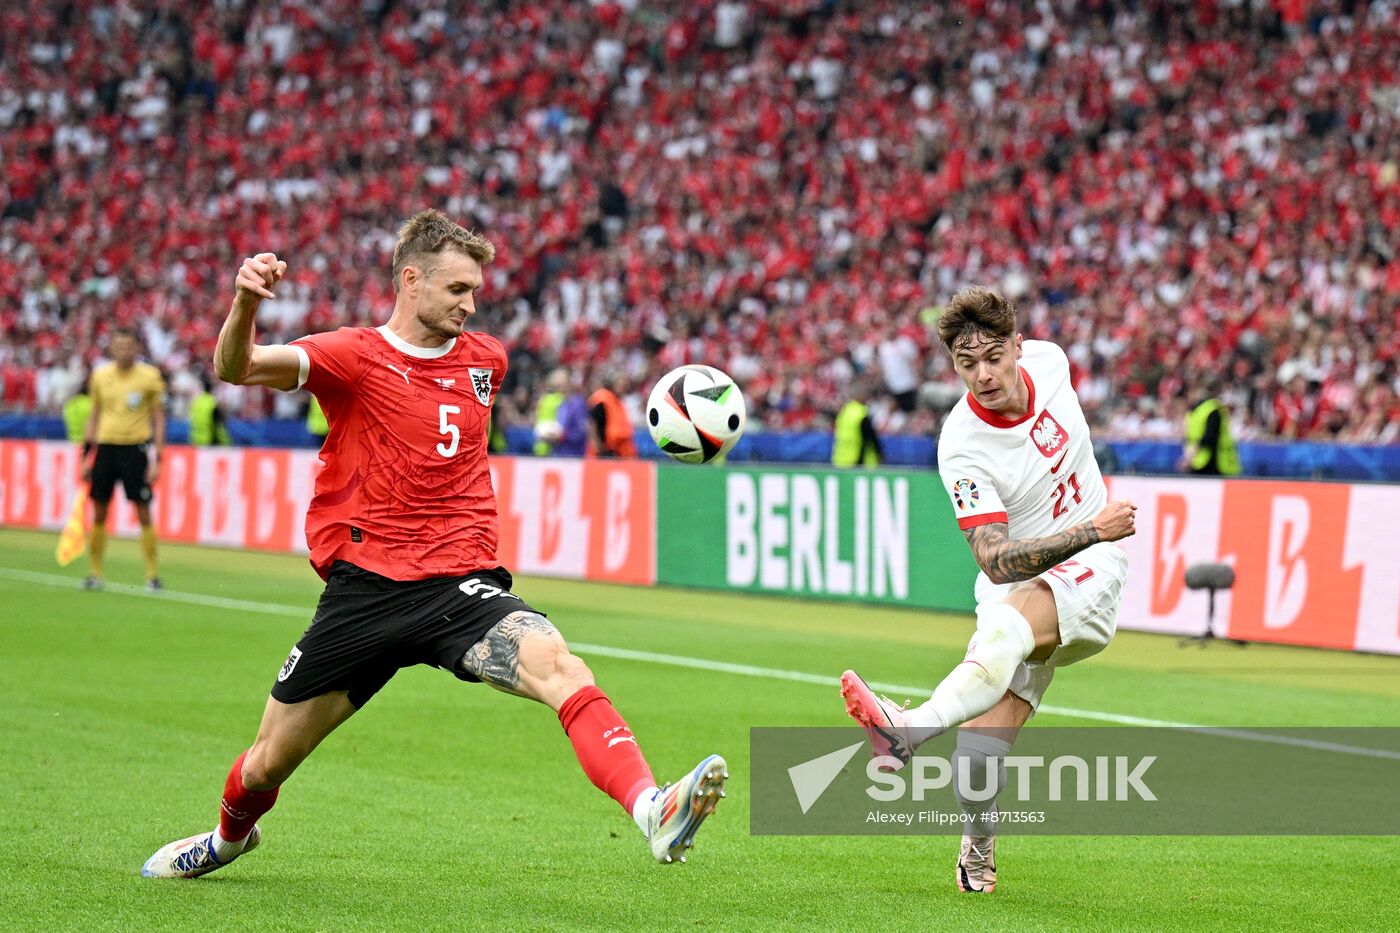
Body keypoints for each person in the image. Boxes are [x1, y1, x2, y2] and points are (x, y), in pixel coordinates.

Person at [140, 210, 726, 880]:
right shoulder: (351, 356)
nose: (470, 304)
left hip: (460, 587)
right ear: (410, 281)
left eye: (475, 290)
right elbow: (235, 366)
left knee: (560, 664)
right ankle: (226, 839)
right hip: (366, 590)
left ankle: (653, 806)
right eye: (456, 289)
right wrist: (245, 300)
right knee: (269, 759)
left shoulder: (486, 361)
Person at [839, 286, 1136, 894]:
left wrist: (1092, 532)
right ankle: (977, 849)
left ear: (1019, 347)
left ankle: (909, 728)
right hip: (1030, 574)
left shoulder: (1052, 363)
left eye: (994, 357)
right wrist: (1092, 523)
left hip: (1094, 565)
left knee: (1006, 629)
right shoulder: (961, 447)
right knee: (976, 757)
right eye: (966, 364)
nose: (983, 374)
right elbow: (997, 564)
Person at [82, 328, 166, 591]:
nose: (123, 351)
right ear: (112, 349)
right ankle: (95, 573)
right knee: (99, 512)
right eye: (119, 346)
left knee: (143, 513)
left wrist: (157, 458)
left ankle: (151, 576)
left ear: (136, 349)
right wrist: (87, 454)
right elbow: (94, 413)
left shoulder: (149, 377)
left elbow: (159, 418)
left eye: (128, 346)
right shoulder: (100, 375)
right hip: (106, 447)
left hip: (135, 448)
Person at [1180, 380, 1241, 476]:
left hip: (1202, 461)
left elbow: (1191, 437)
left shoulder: (1194, 412)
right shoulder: (1213, 409)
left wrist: (1189, 456)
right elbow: (1209, 437)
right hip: (1215, 462)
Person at [830, 379, 883, 468]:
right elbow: (870, 438)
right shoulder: (861, 413)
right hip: (857, 461)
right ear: (861, 395)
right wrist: (880, 454)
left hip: (841, 460)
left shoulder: (844, 411)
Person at [588, 369, 637, 458]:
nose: (623, 387)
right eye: (620, 383)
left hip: (617, 452)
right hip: (604, 453)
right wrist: (600, 451)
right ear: (612, 383)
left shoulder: (618, 401)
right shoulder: (603, 399)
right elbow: (593, 425)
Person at [188, 373, 232, 446]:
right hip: (210, 440)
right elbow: (218, 423)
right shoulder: (213, 402)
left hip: (196, 439)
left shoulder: (196, 402)